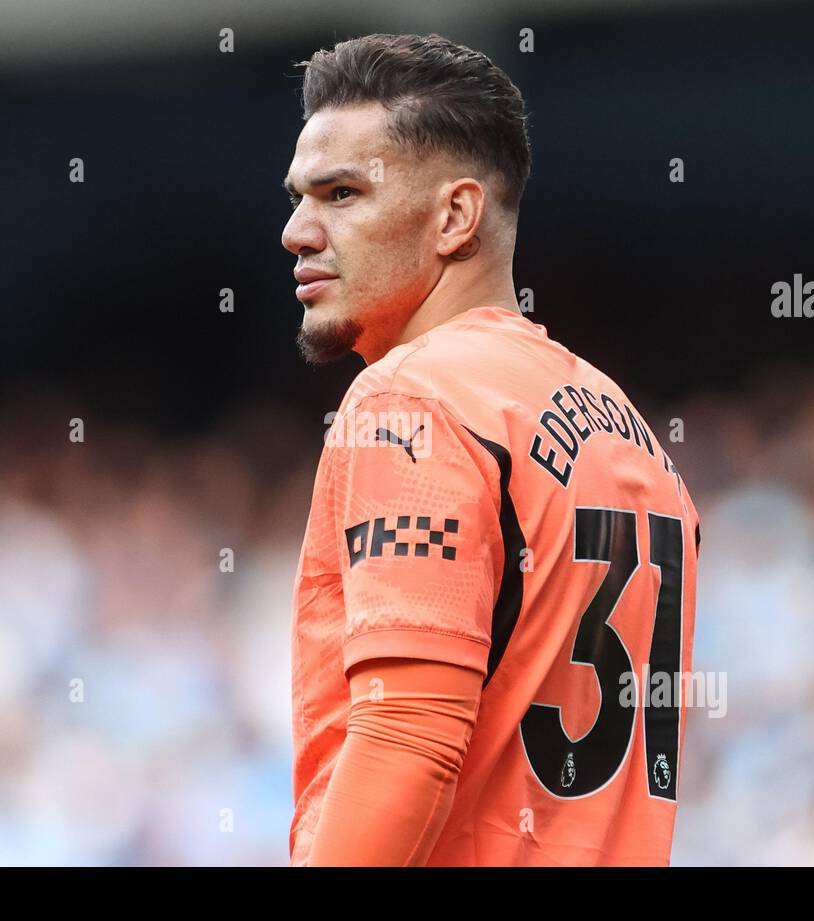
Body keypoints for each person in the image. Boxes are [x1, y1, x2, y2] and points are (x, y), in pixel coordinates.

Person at [281, 33, 702, 866]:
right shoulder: (633, 434)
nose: (298, 231)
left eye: (340, 193)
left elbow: (407, 737)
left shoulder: (412, 400)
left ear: (455, 215)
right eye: (298, 197)